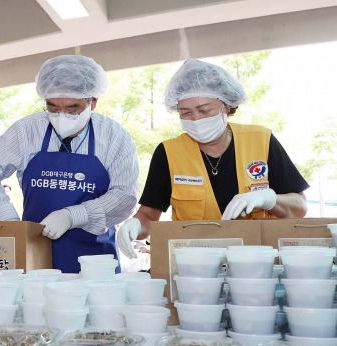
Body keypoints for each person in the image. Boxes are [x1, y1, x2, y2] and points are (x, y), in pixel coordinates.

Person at [117, 59, 309, 259]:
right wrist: (134, 224)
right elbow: (148, 216)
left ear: (226, 105)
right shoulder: (168, 152)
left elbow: (299, 208)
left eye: (204, 110)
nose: (196, 120)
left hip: (258, 262)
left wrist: (267, 198)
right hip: (197, 266)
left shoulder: (261, 140)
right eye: (186, 113)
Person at [0, 55, 139, 273]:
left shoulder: (114, 137)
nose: (62, 116)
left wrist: (74, 215)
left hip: (94, 262)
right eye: (52, 108)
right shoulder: (28, 130)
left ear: (93, 102)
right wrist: (2, 208)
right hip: (33, 256)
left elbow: (125, 196)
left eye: (72, 109)